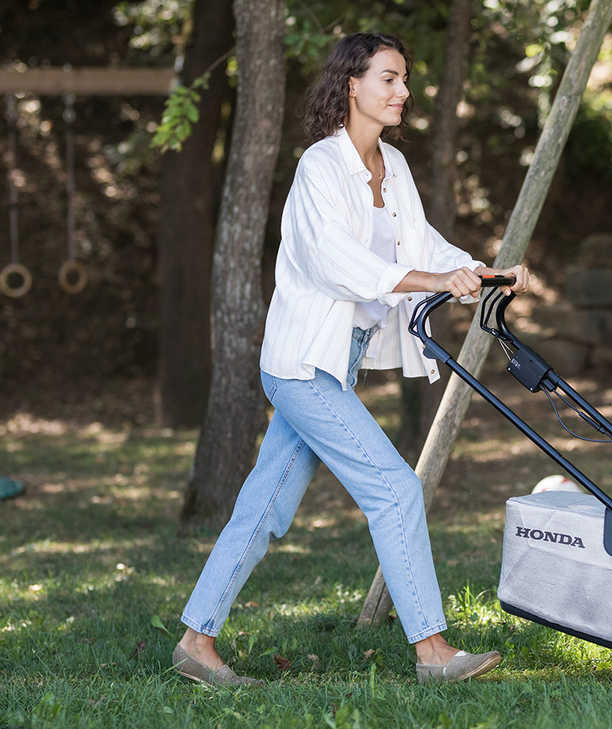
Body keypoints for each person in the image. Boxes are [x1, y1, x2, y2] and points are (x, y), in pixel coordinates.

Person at [172, 32, 528, 687]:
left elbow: (420, 241)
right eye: (389, 78)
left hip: (334, 362)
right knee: (393, 489)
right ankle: (432, 652)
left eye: (405, 79)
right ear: (353, 85)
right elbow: (340, 265)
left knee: (263, 508)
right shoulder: (320, 169)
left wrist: (476, 269)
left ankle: (197, 640)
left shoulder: (393, 167)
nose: (403, 91)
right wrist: (429, 281)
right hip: (302, 362)